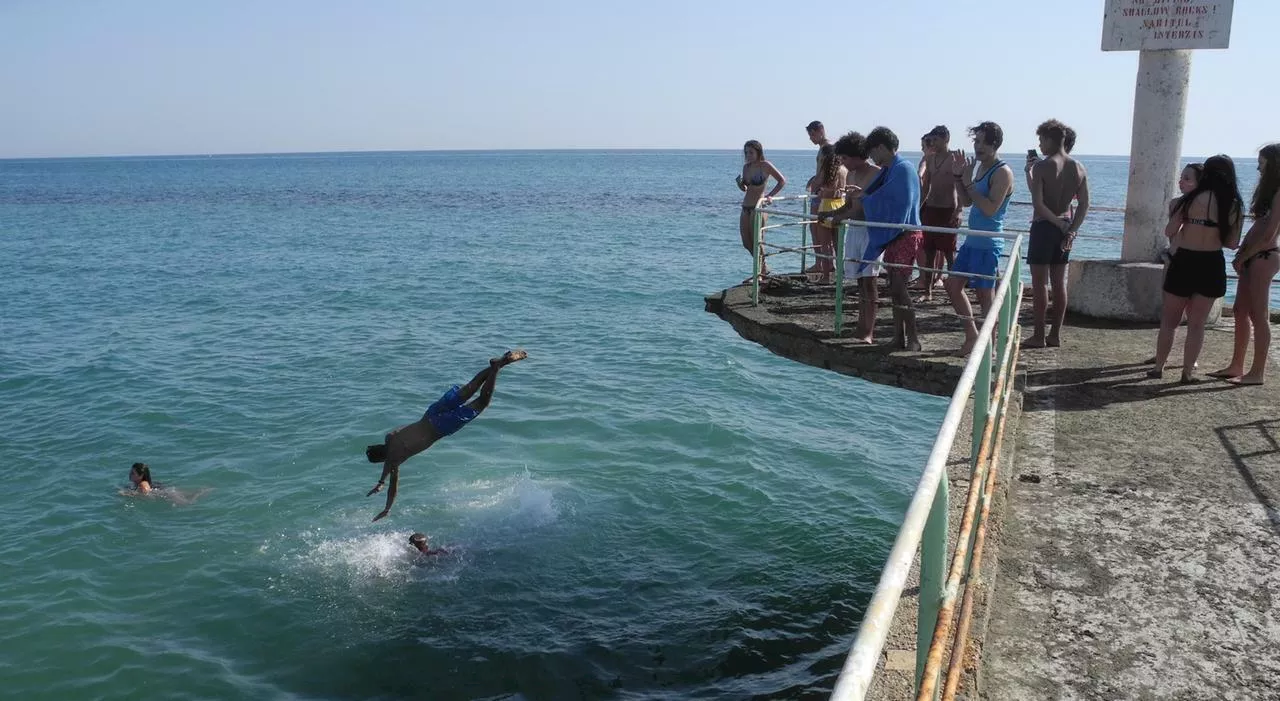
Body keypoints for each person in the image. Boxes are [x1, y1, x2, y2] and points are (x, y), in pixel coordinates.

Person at [365, 350, 528, 521]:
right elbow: (388, 459)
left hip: (440, 428)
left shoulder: (395, 460)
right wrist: (381, 481)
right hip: (431, 413)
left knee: (482, 402)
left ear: (381, 460)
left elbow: (393, 486)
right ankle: (501, 362)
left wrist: (387, 507)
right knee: (472, 386)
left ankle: (495, 369)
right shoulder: (390, 437)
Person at [822, 126, 922, 349]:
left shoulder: (902, 168)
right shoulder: (891, 169)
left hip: (905, 233)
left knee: (898, 288)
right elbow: (877, 197)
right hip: (894, 235)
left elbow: (901, 203)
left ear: (881, 148)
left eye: (873, 151)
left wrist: (864, 199)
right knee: (893, 287)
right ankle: (898, 336)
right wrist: (860, 198)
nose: (872, 156)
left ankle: (913, 337)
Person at [1148, 155, 1243, 383]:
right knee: (1197, 324)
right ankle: (1187, 372)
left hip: (1184, 260)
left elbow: (1169, 231)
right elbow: (1232, 243)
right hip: (1211, 263)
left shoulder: (1189, 200)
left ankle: (1158, 367)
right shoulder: (1234, 203)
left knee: (1169, 321)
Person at [1210, 143, 1280, 385]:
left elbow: (1269, 235)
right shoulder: (1269, 192)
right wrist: (1244, 252)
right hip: (1253, 256)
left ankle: (1257, 372)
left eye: (1262, 163)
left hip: (1264, 256)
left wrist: (1244, 254)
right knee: (1240, 310)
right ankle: (1236, 365)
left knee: (1259, 314)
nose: (1258, 167)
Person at [945, 122, 1014, 356]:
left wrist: (969, 182)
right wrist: (958, 178)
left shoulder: (1002, 172)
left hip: (988, 242)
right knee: (952, 286)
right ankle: (972, 336)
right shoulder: (979, 168)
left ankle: (990, 346)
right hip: (972, 240)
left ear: (996, 144)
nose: (978, 146)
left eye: (984, 142)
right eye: (976, 141)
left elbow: (990, 209)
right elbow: (967, 202)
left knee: (986, 295)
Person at [1026, 119, 1090, 348]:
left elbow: (1039, 204)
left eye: (1041, 140)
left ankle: (1038, 335)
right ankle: (1055, 334)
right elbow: (1084, 204)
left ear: (1051, 139)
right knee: (1059, 282)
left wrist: (1055, 223)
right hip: (1065, 225)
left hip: (1045, 227)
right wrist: (1070, 229)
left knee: (1040, 283)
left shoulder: (1043, 166)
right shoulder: (1079, 167)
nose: (1040, 145)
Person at [828, 131, 883, 341]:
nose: (843, 162)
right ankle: (861, 326)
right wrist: (833, 213)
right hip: (854, 229)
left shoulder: (877, 173)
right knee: (859, 282)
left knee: (870, 281)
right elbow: (850, 204)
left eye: (845, 158)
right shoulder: (850, 175)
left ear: (857, 155)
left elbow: (874, 205)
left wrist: (844, 214)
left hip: (871, 231)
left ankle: (869, 331)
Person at [918, 125, 961, 300]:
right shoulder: (930, 158)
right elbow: (926, 184)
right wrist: (919, 206)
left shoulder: (954, 158)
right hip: (931, 208)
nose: (933, 143)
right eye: (932, 140)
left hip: (948, 209)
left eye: (936, 139)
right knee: (929, 252)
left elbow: (961, 186)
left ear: (946, 139)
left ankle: (955, 292)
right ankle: (927, 292)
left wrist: (959, 211)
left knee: (950, 253)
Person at [736, 141, 786, 283]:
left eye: (751, 152)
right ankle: (762, 269)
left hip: (759, 207)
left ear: (758, 152)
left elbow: (782, 181)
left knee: (758, 241)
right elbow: (747, 187)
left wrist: (770, 196)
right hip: (745, 206)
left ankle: (760, 272)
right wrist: (741, 185)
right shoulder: (746, 167)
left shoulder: (766, 166)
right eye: (746, 152)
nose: (748, 155)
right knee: (747, 242)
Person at [809, 144, 847, 281]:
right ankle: (841, 273)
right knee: (838, 244)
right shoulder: (844, 170)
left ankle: (826, 276)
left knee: (825, 245)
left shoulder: (826, 170)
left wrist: (820, 191)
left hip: (826, 206)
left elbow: (815, 187)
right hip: (840, 206)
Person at [121, 462, 209, 504]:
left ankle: (201, 493)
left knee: (187, 503)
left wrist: (128, 494)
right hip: (165, 489)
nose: (130, 474)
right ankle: (200, 492)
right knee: (188, 495)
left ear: (141, 476)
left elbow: (148, 495)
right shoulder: (141, 483)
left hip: (167, 493)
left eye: (133, 473)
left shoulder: (143, 484)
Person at [805, 120, 831, 219]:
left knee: (816, 225)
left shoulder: (827, 148)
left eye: (812, 134)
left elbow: (828, 172)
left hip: (821, 192)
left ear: (821, 131)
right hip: (819, 191)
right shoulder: (823, 148)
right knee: (814, 225)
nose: (811, 138)